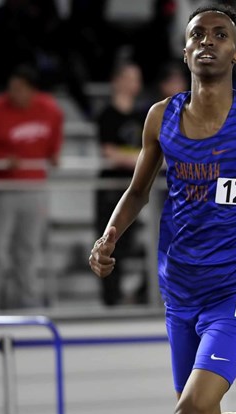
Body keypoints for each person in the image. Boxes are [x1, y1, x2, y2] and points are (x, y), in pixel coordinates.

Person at [89, 5, 236, 414]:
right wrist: (109, 236)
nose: (207, 41)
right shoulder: (161, 117)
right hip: (180, 291)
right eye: (197, 34)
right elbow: (138, 191)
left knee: (190, 410)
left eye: (219, 35)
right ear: (184, 52)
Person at [0, 66, 63, 310]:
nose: (15, 93)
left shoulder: (49, 109)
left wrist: (53, 153)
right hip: (1, 188)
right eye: (12, 88)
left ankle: (27, 304)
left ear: (32, 90)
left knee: (28, 250)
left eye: (20, 89)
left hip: (34, 188)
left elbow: (54, 140)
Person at [94, 61, 146, 306]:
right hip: (111, 187)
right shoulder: (107, 114)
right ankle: (111, 298)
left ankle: (133, 294)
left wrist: (135, 159)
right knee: (109, 240)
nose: (134, 83)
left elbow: (150, 152)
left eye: (137, 78)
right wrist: (137, 159)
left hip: (136, 186)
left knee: (130, 243)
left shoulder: (143, 115)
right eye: (129, 77)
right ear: (117, 81)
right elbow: (109, 152)